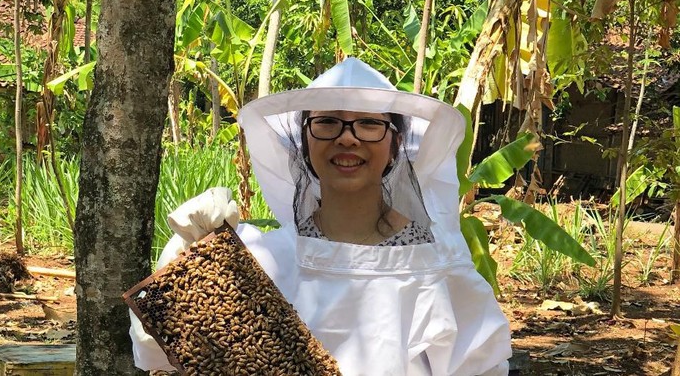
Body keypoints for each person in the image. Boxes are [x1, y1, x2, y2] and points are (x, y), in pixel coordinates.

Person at [129, 57, 512, 375]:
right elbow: (159, 355)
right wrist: (183, 255)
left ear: (395, 143)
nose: (348, 137)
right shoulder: (261, 259)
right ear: (304, 139)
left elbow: (481, 366)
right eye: (327, 122)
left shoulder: (437, 266)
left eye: (369, 123)